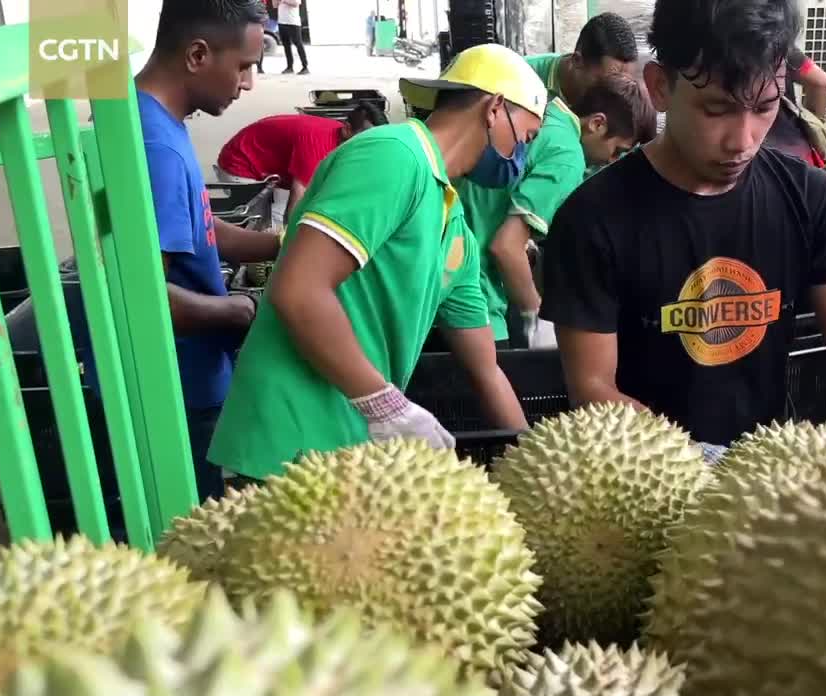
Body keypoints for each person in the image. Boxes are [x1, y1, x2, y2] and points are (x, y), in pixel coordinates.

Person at [538, 0, 826, 456]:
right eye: (716, 109)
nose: (743, 140)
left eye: (765, 107)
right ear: (659, 88)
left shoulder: (809, 197)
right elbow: (592, 387)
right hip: (642, 483)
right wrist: (690, 459)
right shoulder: (591, 220)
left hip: (766, 479)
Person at [207, 43, 548, 481]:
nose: (523, 154)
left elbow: (485, 368)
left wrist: (531, 469)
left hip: (354, 455)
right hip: (288, 443)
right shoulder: (392, 157)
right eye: (529, 135)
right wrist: (385, 404)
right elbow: (300, 290)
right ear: (495, 108)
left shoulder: (453, 220)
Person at [133, 0, 283, 499]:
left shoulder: (150, 119)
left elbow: (199, 227)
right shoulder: (159, 152)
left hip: (188, 377)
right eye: (243, 66)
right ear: (198, 54)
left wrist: (286, 243)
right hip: (179, 386)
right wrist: (240, 310)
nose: (248, 84)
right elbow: (143, 301)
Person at [449, 71, 655, 350]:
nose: (611, 160)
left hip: (440, 268)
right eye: (617, 150)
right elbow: (506, 247)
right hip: (474, 296)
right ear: (597, 123)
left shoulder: (545, 113)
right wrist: (537, 316)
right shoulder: (568, 156)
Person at [215, 102, 388, 229]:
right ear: (347, 129)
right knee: (261, 228)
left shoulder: (345, 140)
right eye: (366, 139)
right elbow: (296, 202)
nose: (370, 146)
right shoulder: (318, 146)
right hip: (240, 164)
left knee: (278, 220)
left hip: (270, 164)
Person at [526, 12, 638, 106]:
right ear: (577, 61)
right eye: (605, 86)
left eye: (625, 86)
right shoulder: (519, 77)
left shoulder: (620, 103)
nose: (614, 98)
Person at [765, 47, 826, 166]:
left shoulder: (724, 42)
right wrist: (813, 125)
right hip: (798, 155)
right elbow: (821, 83)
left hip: (748, 160)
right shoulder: (778, 42)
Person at [275, 0, 308, 74]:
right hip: (282, 21)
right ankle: (289, 67)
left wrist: (284, 0)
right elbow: (275, 5)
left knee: (298, 44)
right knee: (286, 45)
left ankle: (305, 66)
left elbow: (296, 3)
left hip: (293, 22)